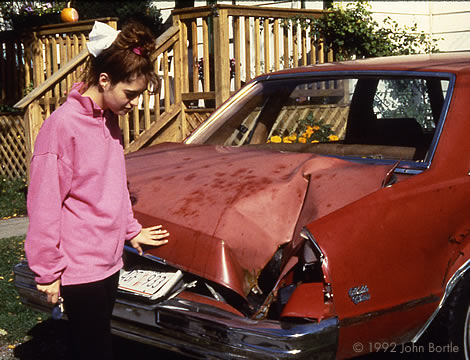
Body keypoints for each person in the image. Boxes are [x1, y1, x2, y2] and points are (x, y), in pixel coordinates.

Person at [24, 20, 169, 360]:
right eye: (130, 94)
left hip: (109, 260)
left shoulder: (109, 120)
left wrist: (132, 231)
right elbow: (44, 203)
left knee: (98, 340)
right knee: (94, 349)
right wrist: (47, 270)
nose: (133, 103)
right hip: (78, 265)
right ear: (105, 80)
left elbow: (114, 184)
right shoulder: (61, 126)